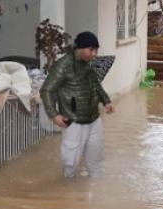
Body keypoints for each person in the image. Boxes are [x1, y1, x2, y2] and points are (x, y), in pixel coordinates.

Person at [40, 31, 115, 178]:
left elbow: (95, 84)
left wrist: (106, 101)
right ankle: (68, 193)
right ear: (79, 48)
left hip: (94, 118)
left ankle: (95, 193)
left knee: (96, 159)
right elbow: (46, 90)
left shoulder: (89, 64)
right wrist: (54, 115)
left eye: (96, 50)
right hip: (73, 120)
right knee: (71, 162)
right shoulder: (62, 66)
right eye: (91, 50)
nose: (94, 54)